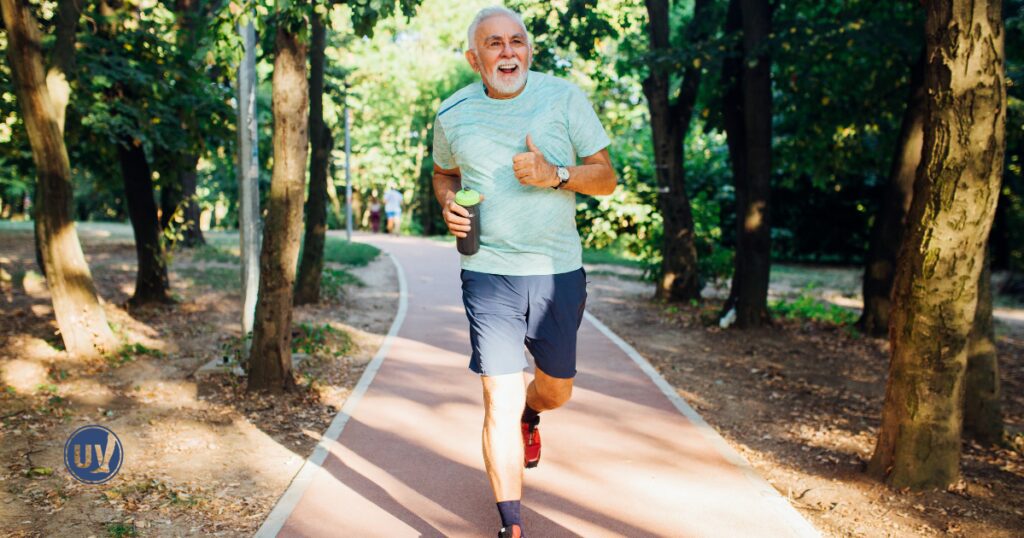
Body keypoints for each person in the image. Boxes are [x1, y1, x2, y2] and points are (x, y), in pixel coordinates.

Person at [431, 6, 616, 538]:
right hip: (487, 271)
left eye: (517, 41)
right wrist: (448, 203)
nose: (508, 51)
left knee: (555, 390)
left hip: (558, 271)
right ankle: (511, 525)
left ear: (528, 50)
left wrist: (555, 174)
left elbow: (606, 178)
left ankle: (531, 416)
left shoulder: (563, 98)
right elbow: (444, 174)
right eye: (494, 44)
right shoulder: (453, 112)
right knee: (498, 396)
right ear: (474, 58)